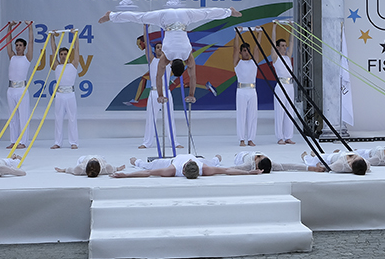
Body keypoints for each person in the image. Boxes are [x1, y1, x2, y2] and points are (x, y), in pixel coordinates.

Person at [99, 7, 242, 105]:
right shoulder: (166, 56)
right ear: (171, 65)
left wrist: (191, 94)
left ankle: (229, 11)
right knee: (141, 17)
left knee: (204, 13)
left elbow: (192, 77)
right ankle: (111, 15)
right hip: (166, 18)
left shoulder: (187, 57)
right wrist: (162, 95)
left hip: (184, 16)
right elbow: (158, 77)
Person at [138, 39, 180, 151]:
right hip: (154, 92)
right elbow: (147, 47)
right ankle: (147, 142)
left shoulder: (169, 61)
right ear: (155, 50)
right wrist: (145, 27)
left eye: (162, 47)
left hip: (166, 91)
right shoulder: (152, 60)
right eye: (157, 47)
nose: (160, 49)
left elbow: (173, 50)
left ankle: (174, 142)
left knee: (169, 117)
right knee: (150, 118)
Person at [112, 153, 260, 179]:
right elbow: (227, 170)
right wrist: (248, 173)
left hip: (173, 161)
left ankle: (137, 162)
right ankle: (135, 161)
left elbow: (149, 174)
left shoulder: (172, 170)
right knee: (215, 163)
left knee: (147, 167)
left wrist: (127, 175)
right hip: (174, 160)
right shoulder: (204, 169)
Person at [6, 21, 35, 149]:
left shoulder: (27, 57)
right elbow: (7, 43)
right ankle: (13, 140)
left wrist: (29, 27)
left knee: (23, 117)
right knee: (13, 117)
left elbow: (31, 42)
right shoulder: (12, 56)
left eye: (20, 45)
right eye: (16, 45)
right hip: (11, 89)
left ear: (24, 47)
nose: (18, 47)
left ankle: (23, 141)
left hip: (22, 89)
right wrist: (10, 27)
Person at [49, 29, 79, 150]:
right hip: (60, 95)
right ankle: (58, 142)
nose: (62, 56)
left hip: (70, 94)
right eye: (61, 54)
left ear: (68, 55)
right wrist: (52, 36)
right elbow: (53, 49)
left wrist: (75, 36)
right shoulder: (57, 66)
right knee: (58, 118)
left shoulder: (73, 65)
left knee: (72, 118)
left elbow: (77, 49)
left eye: (65, 54)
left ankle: (74, 142)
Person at [269, 35, 297, 145]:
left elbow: (292, 41)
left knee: (290, 111)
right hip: (281, 85)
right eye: (282, 46)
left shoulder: (288, 57)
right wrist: (274, 27)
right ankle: (280, 137)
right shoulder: (276, 58)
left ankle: (288, 136)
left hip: (290, 86)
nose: (285, 48)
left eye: (285, 46)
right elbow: (272, 41)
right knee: (280, 112)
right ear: (277, 47)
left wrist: (292, 27)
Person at [234, 34, 259, 147]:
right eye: (244, 50)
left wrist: (259, 34)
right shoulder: (237, 62)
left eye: (248, 50)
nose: (247, 52)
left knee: (253, 115)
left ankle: (251, 139)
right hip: (241, 91)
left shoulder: (254, 62)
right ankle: (241, 139)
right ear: (240, 52)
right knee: (241, 115)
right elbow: (235, 48)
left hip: (252, 90)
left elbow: (257, 48)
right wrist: (237, 34)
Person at [233, 151, 326, 173]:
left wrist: (313, 169)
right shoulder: (248, 164)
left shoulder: (272, 164)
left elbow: (291, 166)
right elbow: (232, 169)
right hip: (240, 156)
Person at [302, 150, 369, 175]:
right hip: (341, 154)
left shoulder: (340, 165)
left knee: (313, 160)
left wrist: (319, 165)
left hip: (330, 158)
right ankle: (317, 154)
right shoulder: (366, 164)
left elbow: (324, 168)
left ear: (350, 163)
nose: (356, 156)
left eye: (354, 158)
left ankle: (306, 156)